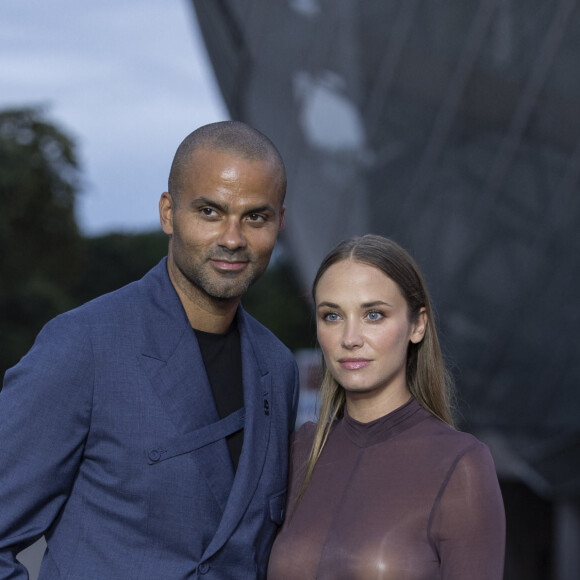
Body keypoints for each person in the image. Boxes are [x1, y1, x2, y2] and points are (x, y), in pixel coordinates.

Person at [0, 121, 299, 579]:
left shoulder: (278, 368)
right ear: (168, 213)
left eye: (255, 217)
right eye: (210, 212)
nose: (233, 239)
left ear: (281, 221)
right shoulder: (83, 346)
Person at [267, 234, 505, 579]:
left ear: (417, 325)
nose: (350, 338)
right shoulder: (298, 450)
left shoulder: (460, 465)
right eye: (332, 316)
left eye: (373, 314)